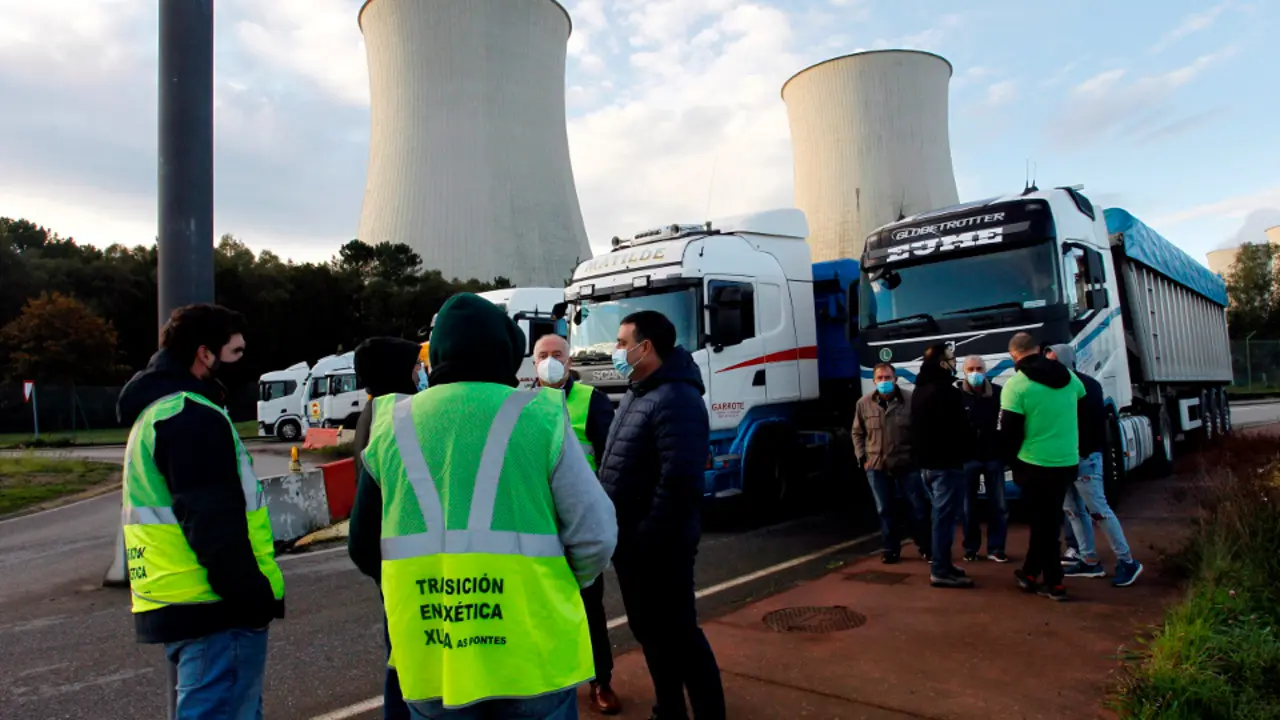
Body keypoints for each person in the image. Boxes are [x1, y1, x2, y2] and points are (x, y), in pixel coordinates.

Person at [347, 293, 618, 720]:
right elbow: (596, 534)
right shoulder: (542, 416)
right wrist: (560, 587)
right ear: (509, 354)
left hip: (435, 653)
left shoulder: (392, 423)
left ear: (435, 357)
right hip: (534, 653)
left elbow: (363, 545)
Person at [116, 304, 285, 720]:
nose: (244, 363)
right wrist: (252, 596)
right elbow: (212, 521)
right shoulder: (191, 416)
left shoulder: (159, 412)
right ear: (205, 354)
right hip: (215, 608)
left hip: (184, 601)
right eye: (236, 352)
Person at [596, 310, 726, 720]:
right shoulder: (641, 390)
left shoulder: (677, 398)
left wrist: (644, 538)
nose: (617, 351)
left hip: (658, 547)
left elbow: (680, 482)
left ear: (645, 347)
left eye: (621, 342)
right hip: (633, 545)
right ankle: (668, 709)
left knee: (681, 636)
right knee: (651, 634)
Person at [532, 333, 622, 715]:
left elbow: (610, 462)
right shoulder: (519, 405)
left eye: (557, 355)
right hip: (537, 524)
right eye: (543, 355)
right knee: (539, 609)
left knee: (589, 605)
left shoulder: (592, 402)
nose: (550, 361)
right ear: (532, 362)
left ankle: (600, 682)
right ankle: (548, 681)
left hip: (579, 523)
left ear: (569, 362)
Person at [349, 336, 427, 720]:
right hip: (402, 564)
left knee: (401, 655)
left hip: (392, 562)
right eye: (415, 366)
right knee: (406, 660)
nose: (421, 373)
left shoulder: (375, 411)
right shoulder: (394, 414)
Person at [1045, 344, 1144, 587]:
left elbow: (1089, 425)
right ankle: (1088, 559)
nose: (1048, 365)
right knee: (1073, 511)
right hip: (1064, 459)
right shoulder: (1060, 386)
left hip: (1083, 458)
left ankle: (1127, 561)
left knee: (1098, 510)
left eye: (1052, 360)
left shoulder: (1085, 386)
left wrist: (1080, 452)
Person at [999, 333, 1086, 602]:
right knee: (1046, 521)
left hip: (1034, 463)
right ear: (1037, 349)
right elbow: (1083, 410)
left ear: (1014, 355)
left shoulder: (1016, 385)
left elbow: (1010, 433)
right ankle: (1029, 572)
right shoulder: (1070, 378)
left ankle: (1055, 583)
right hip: (1066, 461)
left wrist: (1011, 463)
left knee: (1044, 526)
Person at [852, 362, 932, 565]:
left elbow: (921, 431)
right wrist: (863, 458)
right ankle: (890, 549)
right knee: (885, 509)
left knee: (917, 507)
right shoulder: (864, 403)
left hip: (906, 464)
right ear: (874, 381)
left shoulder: (910, 400)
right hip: (877, 466)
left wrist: (919, 456)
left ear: (895, 379)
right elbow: (857, 433)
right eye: (879, 378)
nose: (884, 382)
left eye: (888, 378)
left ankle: (926, 547)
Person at [911, 343, 975, 588]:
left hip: (928, 465)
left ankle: (945, 564)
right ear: (941, 363)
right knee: (944, 520)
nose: (954, 362)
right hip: (946, 464)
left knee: (941, 517)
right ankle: (940, 569)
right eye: (951, 358)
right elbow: (958, 429)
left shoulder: (920, 389)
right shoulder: (945, 392)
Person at [958, 355, 1009, 563]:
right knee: (968, 508)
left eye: (979, 368)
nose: (975, 373)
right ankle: (971, 547)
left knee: (999, 505)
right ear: (964, 372)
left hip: (993, 457)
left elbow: (1005, 422)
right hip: (967, 459)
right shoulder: (956, 396)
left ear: (985, 371)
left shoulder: (998, 393)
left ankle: (996, 548)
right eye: (971, 369)